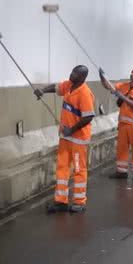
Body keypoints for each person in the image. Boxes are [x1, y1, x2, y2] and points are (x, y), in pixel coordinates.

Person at [34, 65, 95, 213]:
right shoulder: (69, 85)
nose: (71, 74)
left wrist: (72, 129)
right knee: (62, 168)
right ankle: (61, 201)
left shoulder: (85, 93)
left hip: (78, 139)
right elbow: (56, 88)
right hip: (65, 138)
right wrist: (42, 90)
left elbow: (88, 116)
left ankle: (79, 202)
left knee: (79, 170)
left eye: (75, 73)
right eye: (72, 71)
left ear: (82, 77)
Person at [101, 66, 133, 180]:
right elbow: (109, 86)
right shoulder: (124, 86)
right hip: (123, 124)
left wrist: (122, 96)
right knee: (122, 148)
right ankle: (121, 171)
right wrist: (103, 78)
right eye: (132, 72)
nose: (132, 74)